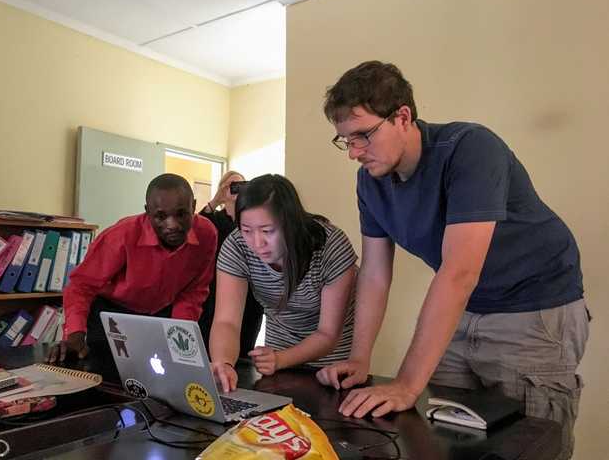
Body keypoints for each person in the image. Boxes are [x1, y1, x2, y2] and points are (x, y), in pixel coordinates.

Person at [315, 61, 589, 460]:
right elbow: (374, 273)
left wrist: (407, 382)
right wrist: (360, 357)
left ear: (403, 116)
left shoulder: (471, 148)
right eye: (345, 140)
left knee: (528, 443)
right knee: (444, 437)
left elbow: (459, 272)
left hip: (536, 307)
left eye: (364, 136)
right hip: (468, 306)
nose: (354, 152)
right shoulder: (370, 182)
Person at [210, 174, 357, 394]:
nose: (257, 243)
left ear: (291, 223)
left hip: (333, 362)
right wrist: (224, 363)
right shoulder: (237, 246)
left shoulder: (330, 246)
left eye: (268, 231)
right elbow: (226, 321)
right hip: (277, 356)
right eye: (247, 230)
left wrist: (281, 359)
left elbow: (328, 333)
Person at [48, 173, 217, 362]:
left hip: (163, 314)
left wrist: (179, 337)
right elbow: (82, 285)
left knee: (163, 376)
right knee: (105, 375)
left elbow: (193, 292)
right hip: (113, 313)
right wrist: (74, 336)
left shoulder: (207, 234)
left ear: (193, 206)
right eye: (160, 216)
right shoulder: (122, 235)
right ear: (147, 212)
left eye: (181, 214)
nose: (172, 225)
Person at [198, 170, 264, 358]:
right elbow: (198, 226)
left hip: (250, 292)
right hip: (216, 290)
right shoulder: (214, 220)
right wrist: (217, 199)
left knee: (245, 341)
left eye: (241, 185)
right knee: (214, 337)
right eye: (231, 185)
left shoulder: (250, 219)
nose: (236, 189)